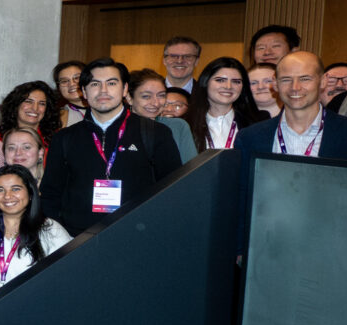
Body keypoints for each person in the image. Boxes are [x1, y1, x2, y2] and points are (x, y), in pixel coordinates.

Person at [38, 61, 184, 235]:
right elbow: (50, 194)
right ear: (83, 91)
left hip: (137, 234)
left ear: (125, 89)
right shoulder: (65, 138)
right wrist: (60, 235)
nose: (103, 90)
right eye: (95, 84)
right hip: (77, 239)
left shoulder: (155, 133)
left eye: (112, 83)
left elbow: (172, 190)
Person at [240, 51, 347, 161]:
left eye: (305, 79)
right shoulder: (250, 137)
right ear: (275, 84)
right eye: (286, 79)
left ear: (323, 81)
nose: (295, 87)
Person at [0, 166, 71, 296]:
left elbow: (66, 275)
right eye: (0, 190)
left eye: (16, 189)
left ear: (30, 193)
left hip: (32, 304)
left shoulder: (51, 230)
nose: (7, 196)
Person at [186, 57, 251, 152]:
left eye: (236, 81)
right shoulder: (185, 124)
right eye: (220, 80)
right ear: (205, 82)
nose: (228, 86)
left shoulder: (254, 124)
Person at [128, 72, 196, 161]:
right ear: (129, 98)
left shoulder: (177, 126)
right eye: (146, 96)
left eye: (161, 95)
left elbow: (191, 166)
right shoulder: (119, 126)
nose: (156, 103)